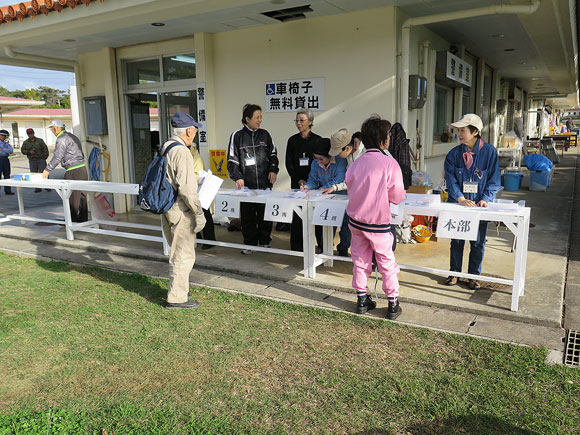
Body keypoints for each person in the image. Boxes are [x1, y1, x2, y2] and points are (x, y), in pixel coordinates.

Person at [345, 115, 406, 320]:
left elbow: (349, 186)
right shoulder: (390, 163)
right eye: (387, 135)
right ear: (383, 139)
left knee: (360, 260)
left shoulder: (356, 162)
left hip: (356, 220)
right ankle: (392, 303)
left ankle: (362, 299)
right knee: (386, 262)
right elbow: (397, 195)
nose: (389, 138)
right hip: (378, 222)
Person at [444, 113, 501, 289]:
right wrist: (459, 197)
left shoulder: (490, 152)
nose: (459, 134)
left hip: (478, 206)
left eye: (463, 130)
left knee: (477, 241)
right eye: (458, 130)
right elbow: (450, 178)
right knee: (457, 240)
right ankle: (455, 273)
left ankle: (473, 276)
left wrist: (486, 199)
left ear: (475, 131)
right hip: (459, 204)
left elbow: (494, 179)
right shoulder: (453, 154)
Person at [161, 112, 206, 309]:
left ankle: (180, 289)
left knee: (177, 251)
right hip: (181, 210)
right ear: (188, 131)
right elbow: (187, 189)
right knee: (183, 254)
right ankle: (177, 297)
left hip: (167, 207)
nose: (195, 133)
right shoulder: (182, 152)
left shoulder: (166, 146)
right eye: (195, 130)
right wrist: (198, 212)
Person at [227, 104, 279, 254]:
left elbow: (273, 155)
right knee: (248, 216)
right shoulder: (237, 136)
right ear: (247, 119)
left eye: (261, 117)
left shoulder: (265, 135)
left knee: (265, 214)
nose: (260, 120)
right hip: (247, 185)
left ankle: (264, 242)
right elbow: (232, 160)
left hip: (264, 183)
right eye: (257, 117)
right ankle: (249, 243)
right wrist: (238, 177)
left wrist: (273, 170)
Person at [300, 138, 347, 249]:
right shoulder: (315, 163)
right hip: (326, 198)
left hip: (343, 197)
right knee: (327, 225)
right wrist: (307, 186)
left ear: (330, 156)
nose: (318, 161)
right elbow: (313, 179)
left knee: (346, 226)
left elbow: (338, 181)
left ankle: (343, 249)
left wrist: (318, 191)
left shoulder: (340, 161)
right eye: (316, 158)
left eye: (321, 159)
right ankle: (326, 248)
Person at [285, 108, 320, 251]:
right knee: (298, 215)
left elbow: (321, 163)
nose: (298, 123)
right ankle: (297, 246)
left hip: (315, 184)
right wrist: (298, 179)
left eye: (302, 120)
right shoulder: (292, 140)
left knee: (316, 215)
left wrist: (312, 181)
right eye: (297, 120)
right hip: (297, 182)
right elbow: (289, 163)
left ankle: (322, 245)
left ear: (310, 122)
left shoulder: (318, 140)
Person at [43, 120, 89, 222]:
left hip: (73, 171)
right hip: (82, 169)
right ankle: (82, 220)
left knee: (72, 198)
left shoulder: (61, 139)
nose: (52, 131)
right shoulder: (72, 136)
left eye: (52, 129)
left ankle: (71, 222)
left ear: (56, 128)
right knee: (82, 197)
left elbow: (58, 157)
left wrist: (47, 169)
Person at [324, 128, 355, 257]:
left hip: (353, 195)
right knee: (332, 220)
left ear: (347, 148)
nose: (336, 155)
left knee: (347, 223)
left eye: (338, 152)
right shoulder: (345, 157)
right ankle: (327, 247)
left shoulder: (361, 156)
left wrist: (335, 187)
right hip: (341, 192)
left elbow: (352, 180)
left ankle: (343, 248)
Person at [189, 142, 216, 249]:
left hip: (199, 191)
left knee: (204, 215)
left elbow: (199, 174)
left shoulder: (196, 157)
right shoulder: (191, 155)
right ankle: (199, 238)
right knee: (194, 216)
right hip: (193, 190)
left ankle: (209, 240)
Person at [21, 128, 50, 192]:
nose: (30, 135)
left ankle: (48, 186)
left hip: (41, 159)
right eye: (29, 134)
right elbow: (23, 150)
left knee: (44, 173)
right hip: (32, 160)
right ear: (27, 134)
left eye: (31, 133)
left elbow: (45, 149)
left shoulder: (40, 141)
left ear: (33, 133)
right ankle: (38, 188)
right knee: (34, 174)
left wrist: (44, 157)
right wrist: (29, 152)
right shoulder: (25, 142)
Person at [0, 129, 15, 196]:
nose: (4, 137)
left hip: (5, 159)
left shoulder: (6, 143)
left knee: (7, 175)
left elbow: (11, 151)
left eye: (5, 136)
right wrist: (6, 151)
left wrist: (3, 149)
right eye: (3, 135)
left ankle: (8, 191)